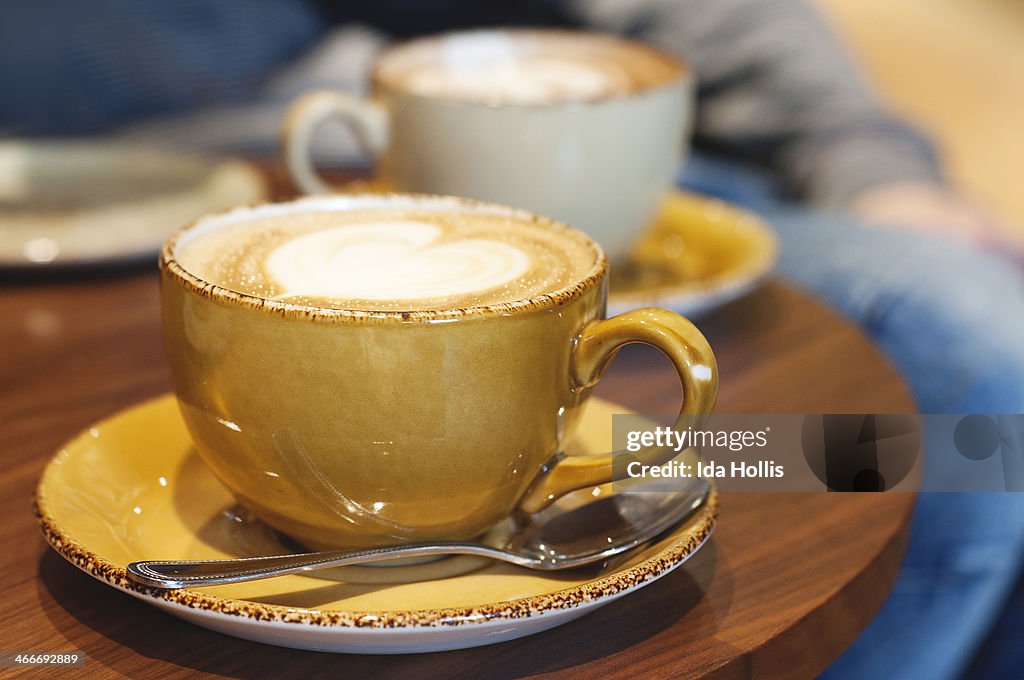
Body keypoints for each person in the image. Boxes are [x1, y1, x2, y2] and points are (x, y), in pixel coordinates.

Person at [3, 1, 1023, 676]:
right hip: (227, 235)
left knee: (981, 393)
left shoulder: (611, 417)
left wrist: (870, 159)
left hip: (573, 285)